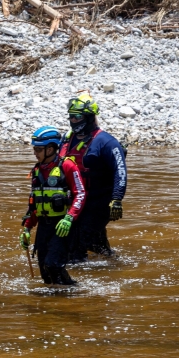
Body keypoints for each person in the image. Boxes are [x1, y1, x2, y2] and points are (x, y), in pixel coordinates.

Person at [59, 91, 127, 262]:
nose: (73, 121)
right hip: (75, 200)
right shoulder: (67, 139)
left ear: (89, 117)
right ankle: (113, 264)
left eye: (77, 117)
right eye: (71, 117)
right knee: (96, 245)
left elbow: (120, 172)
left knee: (77, 243)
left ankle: (78, 282)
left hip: (99, 202)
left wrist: (117, 199)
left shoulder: (107, 142)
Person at [20, 126, 86, 285]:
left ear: (50, 149)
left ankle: (73, 292)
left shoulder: (67, 167)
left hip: (62, 226)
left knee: (53, 265)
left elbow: (81, 194)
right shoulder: (36, 171)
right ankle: (54, 301)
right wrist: (27, 228)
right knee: (44, 270)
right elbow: (35, 203)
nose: (34, 152)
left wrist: (69, 218)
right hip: (43, 227)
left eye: (38, 149)